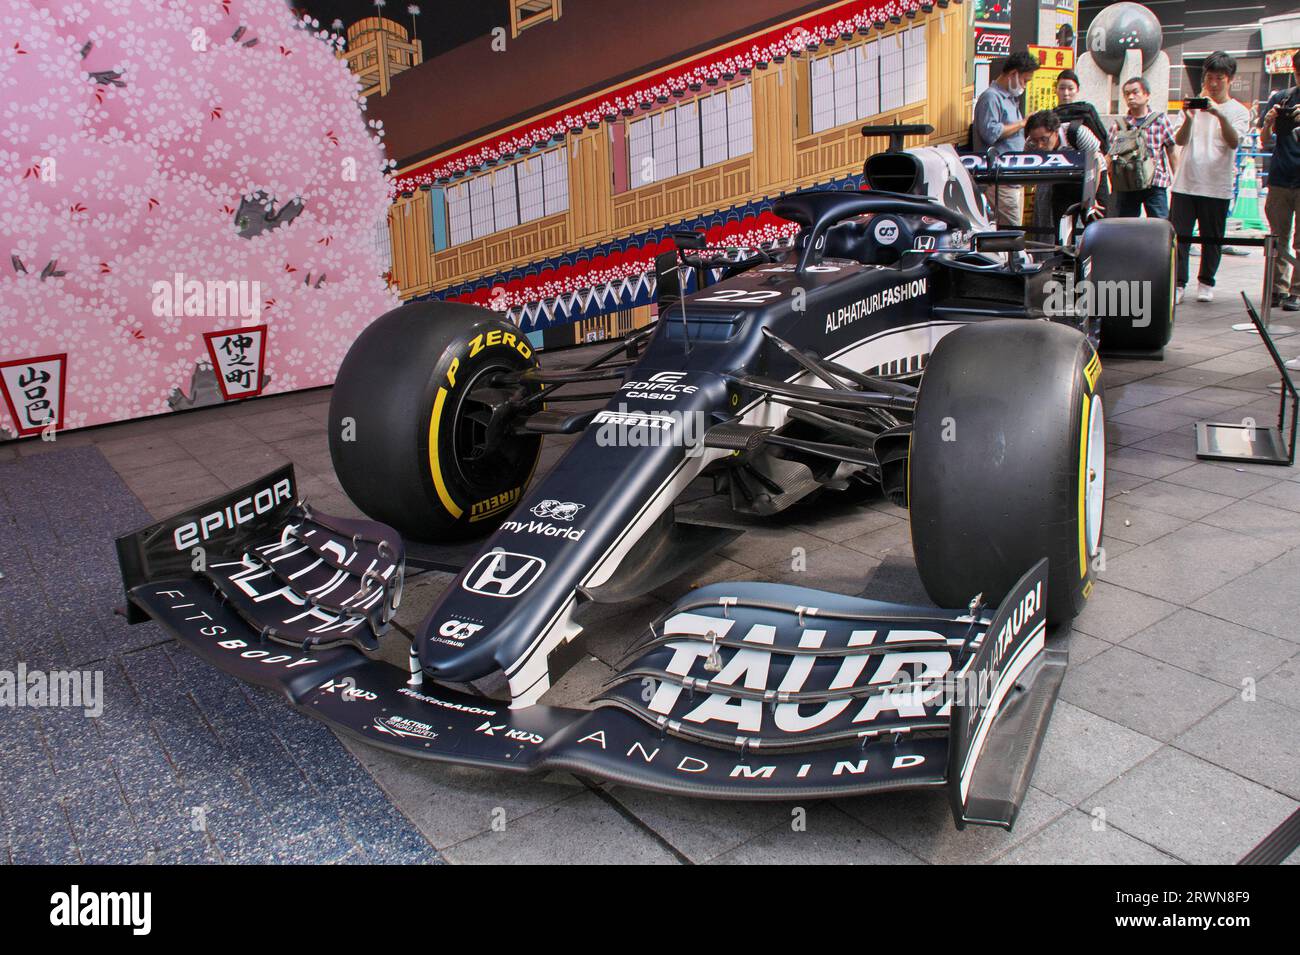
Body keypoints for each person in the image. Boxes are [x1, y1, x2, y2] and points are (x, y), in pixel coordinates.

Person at [1169, 52, 1250, 304]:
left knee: (1212, 238)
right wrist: (1189, 118)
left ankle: (1206, 282)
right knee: (1179, 236)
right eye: (1209, 77)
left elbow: (1234, 141)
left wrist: (1219, 114)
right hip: (1185, 183)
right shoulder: (1194, 105)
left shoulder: (1238, 111)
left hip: (1217, 185)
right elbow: (1179, 141)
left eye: (1220, 78)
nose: (1213, 83)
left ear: (1230, 79)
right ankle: (1179, 283)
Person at [973, 51, 1039, 228]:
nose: (1024, 86)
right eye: (1024, 80)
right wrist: (1022, 123)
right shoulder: (991, 97)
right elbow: (990, 132)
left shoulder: (1010, 100)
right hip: (999, 179)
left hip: (1012, 178)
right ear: (1013, 74)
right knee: (1010, 232)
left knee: (1014, 229)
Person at [1261, 50, 1300, 311]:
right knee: (1277, 238)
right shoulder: (1281, 97)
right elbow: (1265, 140)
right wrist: (1268, 122)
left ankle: (1296, 291)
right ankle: (1277, 288)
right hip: (1280, 177)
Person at [1025, 110, 1103, 238]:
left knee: (1096, 222)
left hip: (1092, 176)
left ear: (1055, 132)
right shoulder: (1031, 143)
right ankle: (1064, 256)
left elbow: (1096, 163)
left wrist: (1091, 198)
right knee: (1062, 229)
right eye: (1035, 140)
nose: (1039, 145)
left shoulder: (1078, 133)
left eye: (1044, 139)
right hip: (1063, 180)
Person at [1108, 77, 1178, 219]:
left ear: (1147, 95)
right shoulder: (1118, 125)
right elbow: (1109, 156)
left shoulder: (1160, 120)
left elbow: (1172, 150)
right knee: (1125, 226)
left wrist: (1177, 179)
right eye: (1127, 94)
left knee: (1159, 225)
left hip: (1155, 182)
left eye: (1135, 92)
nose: (1131, 97)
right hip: (1126, 182)